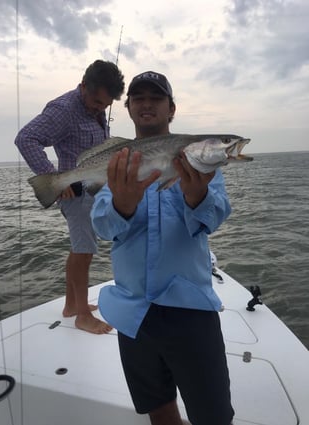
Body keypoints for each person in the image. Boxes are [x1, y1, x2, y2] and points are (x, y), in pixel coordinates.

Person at [90, 71, 235, 424]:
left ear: (171, 109)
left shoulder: (202, 163)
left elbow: (214, 219)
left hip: (190, 309)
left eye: (156, 97)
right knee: (157, 405)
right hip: (133, 310)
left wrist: (196, 194)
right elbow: (103, 227)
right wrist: (122, 204)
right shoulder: (119, 161)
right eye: (138, 97)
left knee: (213, 414)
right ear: (128, 109)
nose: (146, 103)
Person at [15, 60, 125, 334]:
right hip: (74, 193)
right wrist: (50, 174)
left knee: (79, 249)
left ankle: (71, 305)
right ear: (83, 85)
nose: (99, 108)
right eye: (96, 101)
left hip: (91, 189)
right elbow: (25, 138)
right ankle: (82, 316)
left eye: (105, 105)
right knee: (83, 251)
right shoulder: (64, 110)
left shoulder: (96, 108)